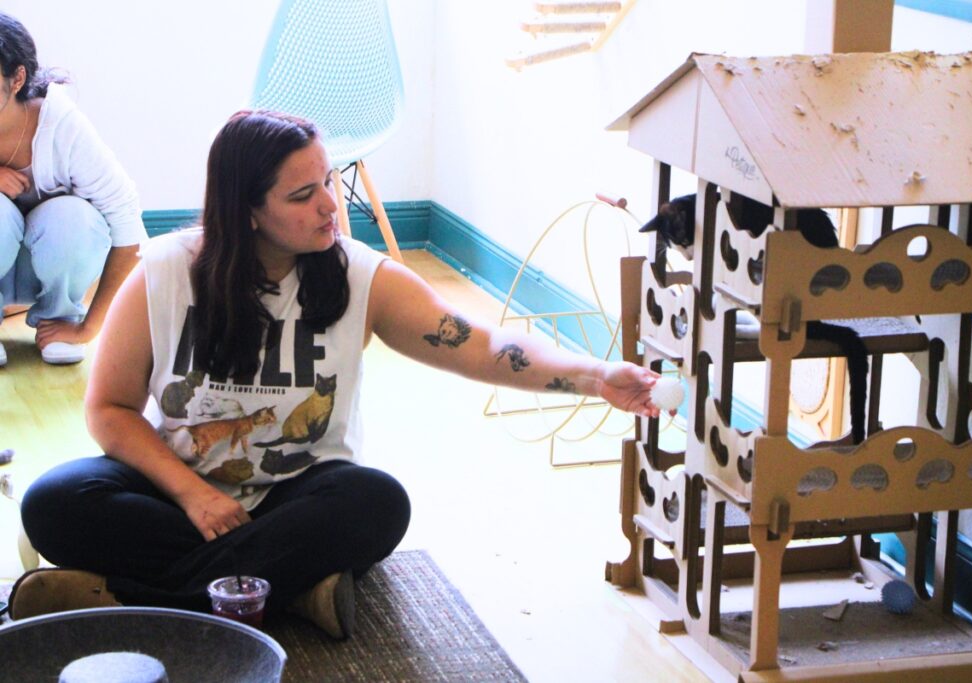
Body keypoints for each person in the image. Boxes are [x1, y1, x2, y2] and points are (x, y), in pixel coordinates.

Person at [10, 110, 662, 639]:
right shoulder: (164, 271)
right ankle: (293, 589)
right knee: (53, 500)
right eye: (303, 194)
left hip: (300, 496)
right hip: (181, 494)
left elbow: (483, 344)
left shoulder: (357, 274)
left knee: (376, 503)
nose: (330, 205)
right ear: (246, 212)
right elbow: (109, 410)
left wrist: (594, 374)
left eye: (327, 180)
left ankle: (130, 598)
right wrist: (193, 494)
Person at [0, 12, 144, 367]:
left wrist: (90, 328)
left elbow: (128, 228)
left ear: (17, 78)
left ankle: (61, 318)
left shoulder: (62, 126)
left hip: (51, 264)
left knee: (74, 218)